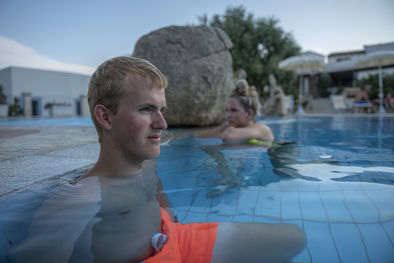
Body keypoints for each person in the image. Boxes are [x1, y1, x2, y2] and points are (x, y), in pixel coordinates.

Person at [13, 56, 306, 263]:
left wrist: (172, 222)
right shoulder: (77, 199)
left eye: (161, 109)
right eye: (146, 110)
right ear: (105, 116)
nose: (163, 123)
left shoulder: (149, 164)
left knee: (293, 238)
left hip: (176, 238)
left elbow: (161, 201)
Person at [195, 79, 274, 143]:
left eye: (233, 110)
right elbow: (197, 136)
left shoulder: (262, 129)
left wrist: (225, 129)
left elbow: (227, 136)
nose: (228, 115)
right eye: (227, 110)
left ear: (249, 113)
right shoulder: (230, 127)